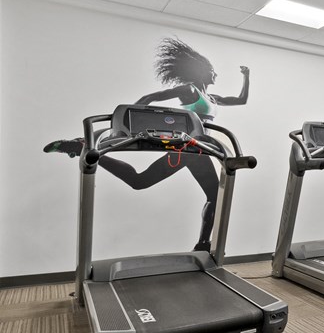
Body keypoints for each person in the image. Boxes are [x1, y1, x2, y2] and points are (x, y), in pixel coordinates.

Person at [43, 37, 250, 252]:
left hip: (201, 148)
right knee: (205, 193)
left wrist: (246, 76)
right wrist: (129, 122)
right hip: (189, 148)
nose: (215, 74)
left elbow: (241, 99)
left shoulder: (213, 98)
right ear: (201, 72)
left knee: (148, 183)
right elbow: (149, 97)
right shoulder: (190, 90)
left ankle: (203, 245)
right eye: (212, 70)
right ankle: (81, 146)